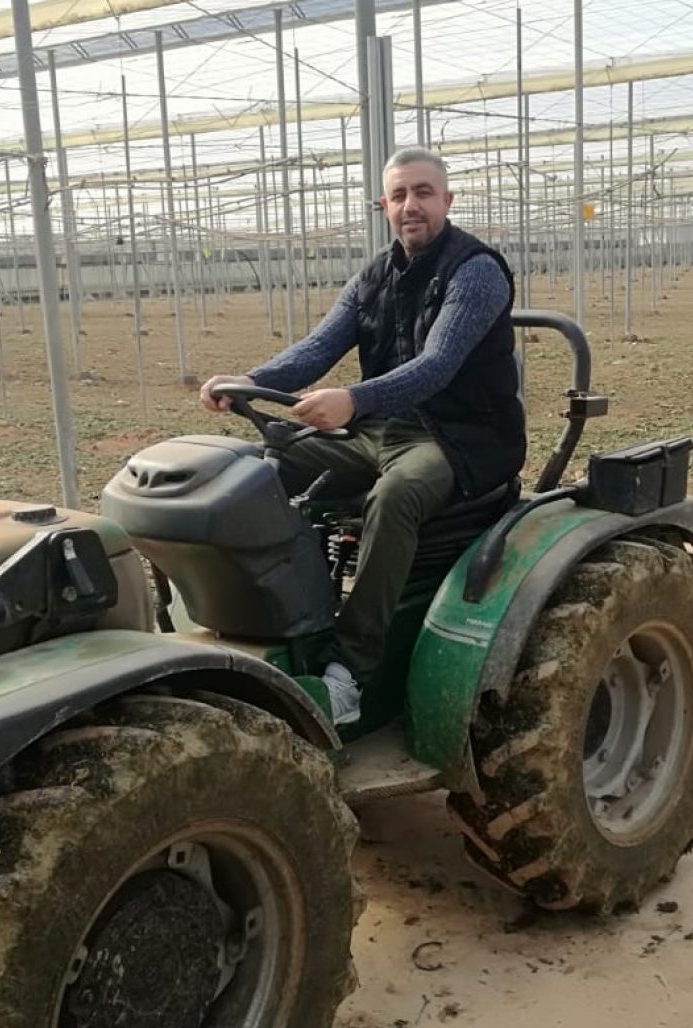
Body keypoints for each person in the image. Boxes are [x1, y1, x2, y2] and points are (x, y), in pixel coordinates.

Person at [200, 146, 525, 724]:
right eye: (399, 195)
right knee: (264, 464)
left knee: (398, 494)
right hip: (382, 427)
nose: (411, 205)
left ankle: (350, 672)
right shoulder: (373, 276)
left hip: (460, 438)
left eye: (423, 192)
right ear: (384, 205)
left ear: (447, 200)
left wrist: (353, 398)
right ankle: (279, 620)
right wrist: (252, 381)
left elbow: (437, 364)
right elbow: (320, 347)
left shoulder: (475, 271)